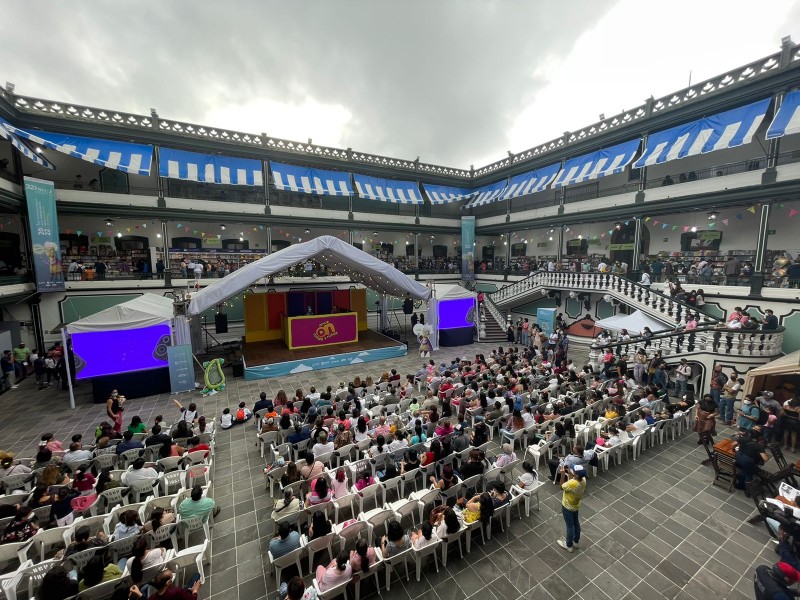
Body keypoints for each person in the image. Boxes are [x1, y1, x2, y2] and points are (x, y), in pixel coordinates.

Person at [557, 464, 586, 553]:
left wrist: (562, 475)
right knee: (576, 523)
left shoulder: (572, 483)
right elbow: (571, 482)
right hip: (575, 506)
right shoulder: (583, 480)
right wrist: (570, 473)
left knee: (570, 526)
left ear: (576, 474)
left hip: (567, 506)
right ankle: (576, 541)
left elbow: (562, 486)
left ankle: (568, 545)